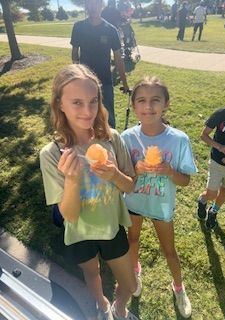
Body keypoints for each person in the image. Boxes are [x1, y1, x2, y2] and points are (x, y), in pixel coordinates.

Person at [40, 64, 139, 320]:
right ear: (60, 104)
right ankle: (102, 305)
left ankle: (119, 307)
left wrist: (115, 175)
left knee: (129, 284)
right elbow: (69, 216)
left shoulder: (112, 138)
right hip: (80, 232)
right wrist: (72, 180)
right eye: (76, 102)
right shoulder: (52, 154)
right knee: (92, 273)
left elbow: (130, 185)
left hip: (110, 226)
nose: (87, 111)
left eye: (93, 101)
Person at [121, 76, 197, 319]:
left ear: (166, 104)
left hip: (161, 205)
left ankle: (179, 288)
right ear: (134, 106)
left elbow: (185, 181)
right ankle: (134, 272)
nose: (148, 106)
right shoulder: (127, 137)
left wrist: (170, 171)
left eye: (155, 100)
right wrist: (137, 169)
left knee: (169, 251)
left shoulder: (178, 139)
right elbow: (122, 177)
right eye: (141, 100)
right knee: (132, 241)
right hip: (134, 201)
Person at [70, 0, 129, 129]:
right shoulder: (78, 27)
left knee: (109, 118)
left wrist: (124, 83)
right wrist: (76, 75)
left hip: (105, 81)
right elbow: (75, 53)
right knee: (87, 116)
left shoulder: (111, 30)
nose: (93, 7)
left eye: (96, 4)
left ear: (101, 6)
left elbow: (118, 58)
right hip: (85, 81)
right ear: (86, 6)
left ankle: (112, 144)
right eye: (90, 4)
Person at [197, 80, 225, 230]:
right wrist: (220, 146)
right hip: (216, 162)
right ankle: (202, 200)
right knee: (211, 193)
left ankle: (214, 211)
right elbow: (204, 135)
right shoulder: (221, 114)